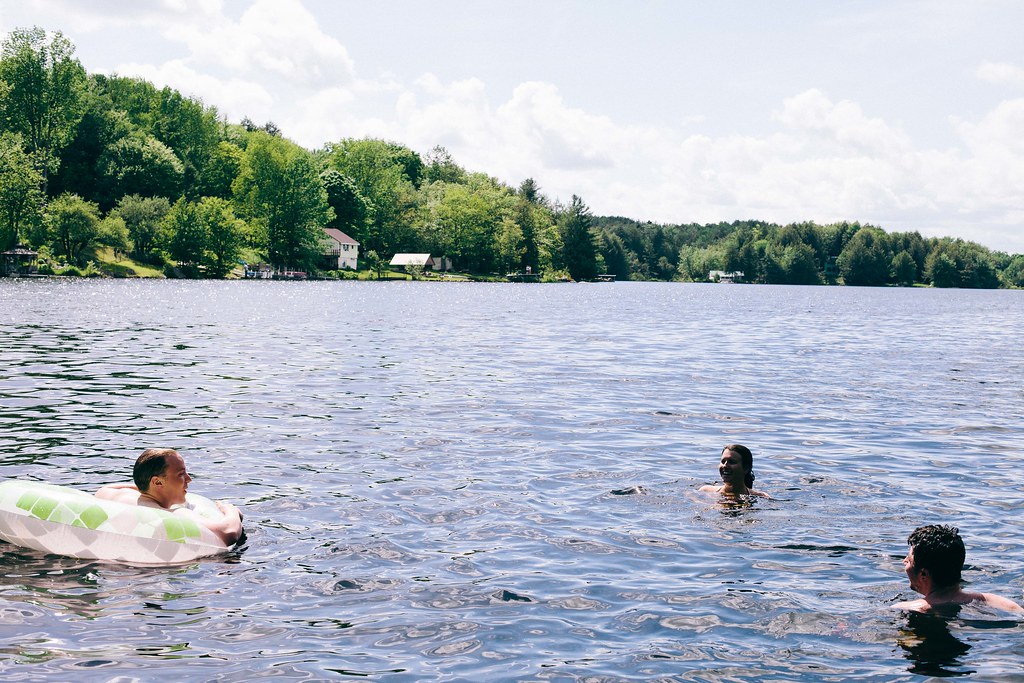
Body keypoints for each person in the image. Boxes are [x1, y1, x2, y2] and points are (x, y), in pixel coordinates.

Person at [96, 448, 243, 546]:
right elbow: (227, 533)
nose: (189, 479)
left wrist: (148, 486)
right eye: (181, 474)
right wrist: (230, 511)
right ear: (157, 481)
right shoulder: (174, 514)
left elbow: (110, 487)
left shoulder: (112, 494)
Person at [894, 524, 1023, 613]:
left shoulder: (907, 608)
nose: (904, 561)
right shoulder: (996, 601)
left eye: (909, 560)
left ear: (923, 574)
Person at [699, 444, 768, 498]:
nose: (725, 466)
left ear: (746, 468)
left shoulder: (761, 497)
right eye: (723, 461)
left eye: (731, 462)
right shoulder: (705, 491)